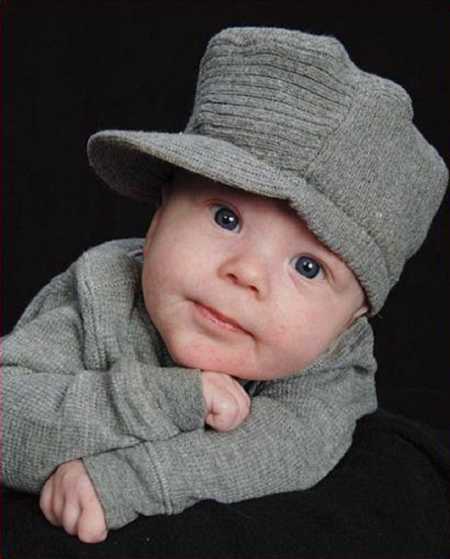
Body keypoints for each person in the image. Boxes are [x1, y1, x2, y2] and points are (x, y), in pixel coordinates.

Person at [2, 27, 447, 544]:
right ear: (161, 208)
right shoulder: (100, 294)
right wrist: (168, 399)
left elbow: (285, 449)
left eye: (308, 267)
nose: (247, 274)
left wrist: (132, 478)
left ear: (351, 319)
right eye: (226, 217)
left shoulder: (334, 365)